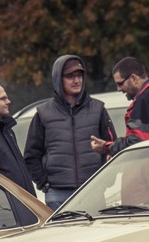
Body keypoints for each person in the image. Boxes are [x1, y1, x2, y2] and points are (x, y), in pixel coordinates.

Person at [24, 55, 116, 210]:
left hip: (92, 190)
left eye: (79, 75)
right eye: (70, 76)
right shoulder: (43, 113)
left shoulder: (98, 109)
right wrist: (44, 184)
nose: (76, 80)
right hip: (57, 194)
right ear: (58, 79)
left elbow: (113, 148)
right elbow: (31, 155)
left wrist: (105, 182)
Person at [90, 56, 149, 157]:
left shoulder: (147, 99)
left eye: (120, 84)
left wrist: (107, 147)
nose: (118, 89)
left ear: (133, 78)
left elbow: (138, 143)